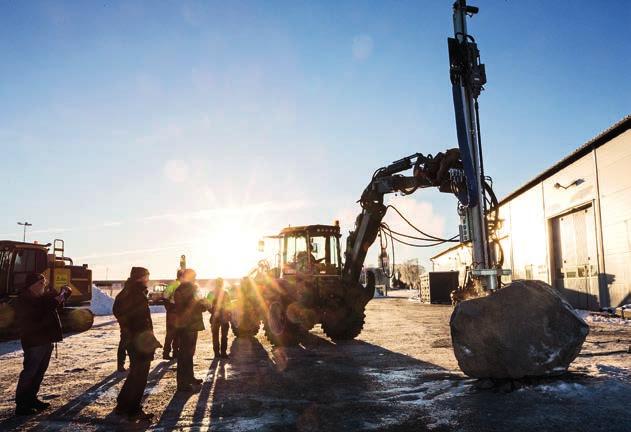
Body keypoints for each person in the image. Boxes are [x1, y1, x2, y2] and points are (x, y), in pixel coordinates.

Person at [15, 273, 71, 416]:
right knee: (29, 373)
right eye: (40, 283)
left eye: (44, 283)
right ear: (31, 285)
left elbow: (55, 307)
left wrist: (64, 295)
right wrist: (55, 301)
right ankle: (21, 405)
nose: (43, 286)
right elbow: (36, 315)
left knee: (39, 373)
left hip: (46, 340)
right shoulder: (24, 299)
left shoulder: (41, 297)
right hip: (34, 342)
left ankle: (32, 399)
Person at [113, 267, 161, 421]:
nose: (148, 279)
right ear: (140, 277)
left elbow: (118, 311)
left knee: (135, 374)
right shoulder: (134, 293)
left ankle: (122, 404)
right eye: (147, 276)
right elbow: (139, 319)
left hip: (135, 339)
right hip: (139, 341)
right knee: (140, 376)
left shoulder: (128, 291)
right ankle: (133, 410)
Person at [174, 271, 206, 392]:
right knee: (184, 355)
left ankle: (189, 377)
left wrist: (203, 304)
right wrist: (201, 305)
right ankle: (182, 383)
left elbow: (198, 304)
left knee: (189, 354)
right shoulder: (182, 290)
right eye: (193, 277)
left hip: (192, 326)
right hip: (186, 326)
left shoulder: (192, 289)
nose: (195, 279)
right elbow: (184, 309)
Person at [162, 269, 184, 360]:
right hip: (173, 312)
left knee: (177, 333)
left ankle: (175, 352)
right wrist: (170, 308)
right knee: (171, 333)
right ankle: (166, 353)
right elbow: (165, 297)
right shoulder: (173, 285)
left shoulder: (180, 285)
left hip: (178, 312)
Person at [210, 278, 231, 358]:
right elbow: (229, 305)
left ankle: (216, 353)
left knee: (215, 336)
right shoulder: (225, 293)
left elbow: (208, 305)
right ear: (222, 284)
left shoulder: (211, 293)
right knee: (224, 336)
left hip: (215, 317)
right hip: (224, 317)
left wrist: (213, 312)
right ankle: (223, 353)